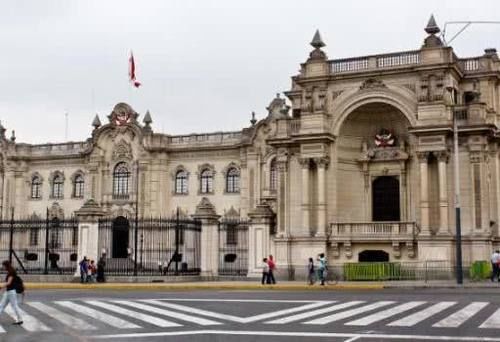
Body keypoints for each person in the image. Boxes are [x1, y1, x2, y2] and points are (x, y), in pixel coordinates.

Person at [0, 261, 23, 325]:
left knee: (14, 306)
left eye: (3, 265)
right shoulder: (10, 272)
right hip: (9, 292)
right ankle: (20, 319)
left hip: (11, 292)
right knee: (2, 305)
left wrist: (1, 286)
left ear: (6, 265)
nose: (2, 267)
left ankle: (20, 319)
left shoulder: (11, 273)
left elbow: (9, 283)